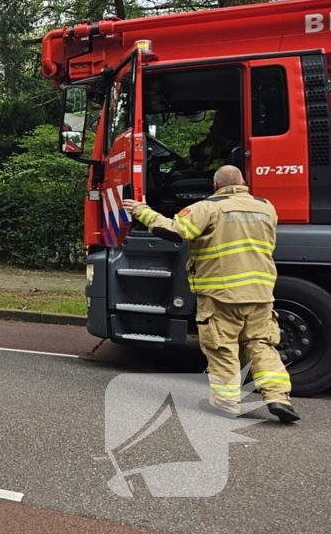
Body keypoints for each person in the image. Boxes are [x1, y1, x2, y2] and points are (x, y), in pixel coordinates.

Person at [123, 165, 300, 423]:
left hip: (222, 292)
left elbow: (175, 231)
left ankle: (226, 403)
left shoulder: (208, 207)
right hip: (261, 291)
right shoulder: (266, 207)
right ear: (243, 183)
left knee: (222, 347)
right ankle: (278, 398)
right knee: (261, 344)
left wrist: (142, 211)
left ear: (216, 186)